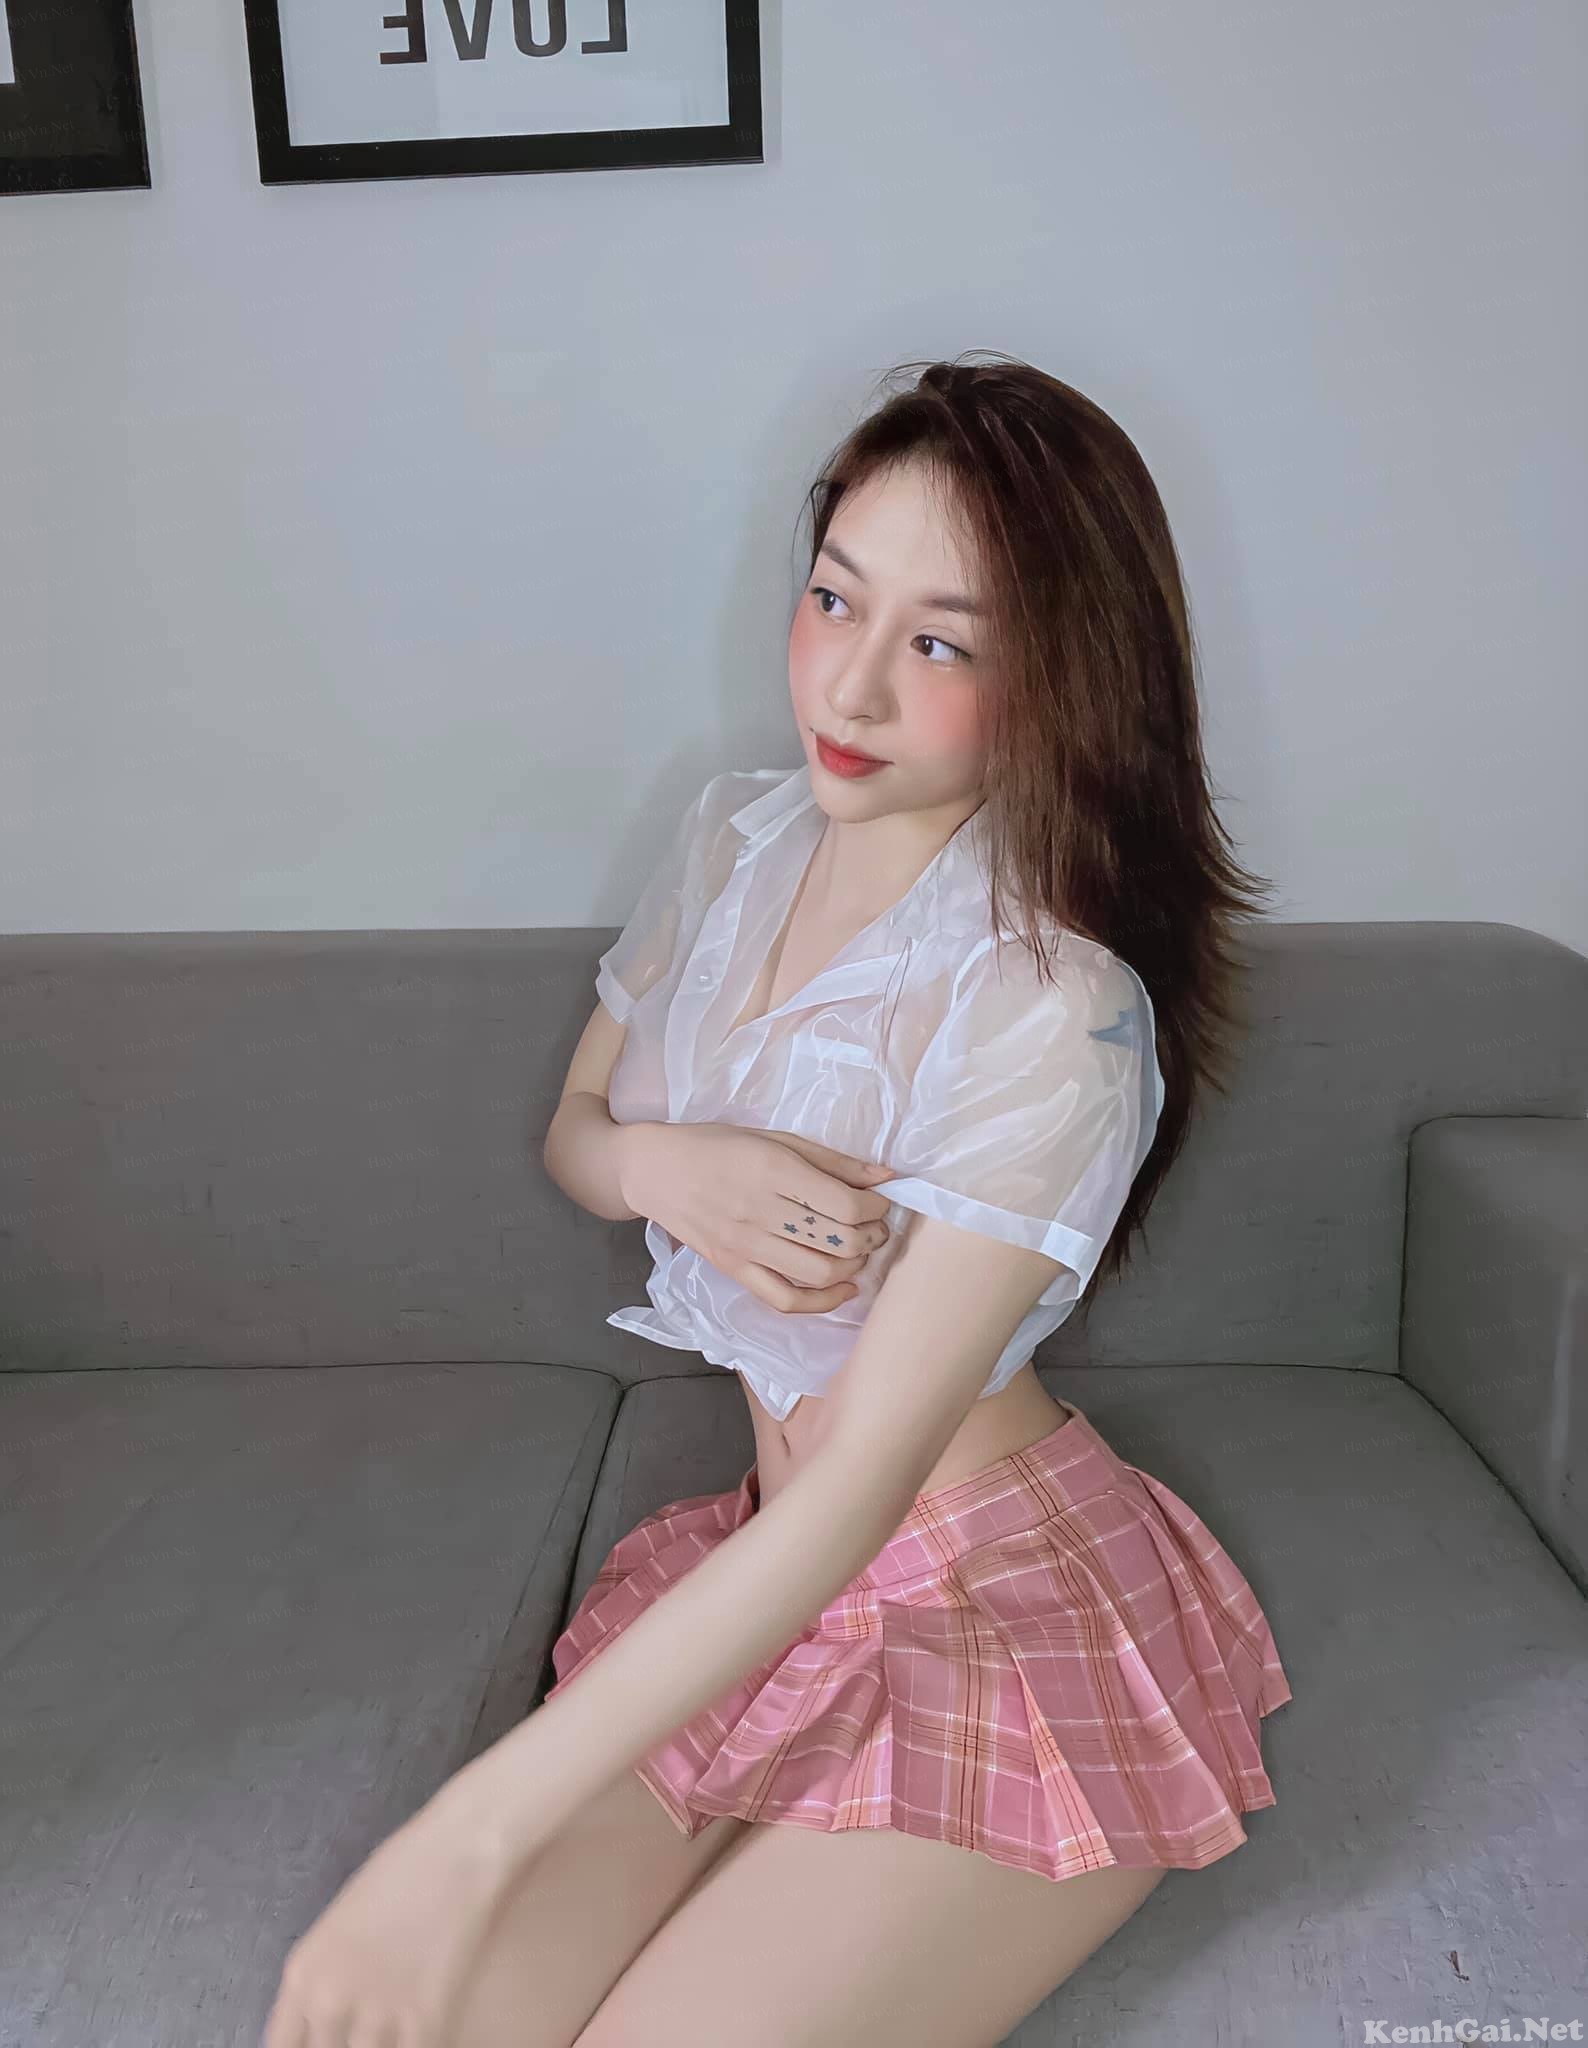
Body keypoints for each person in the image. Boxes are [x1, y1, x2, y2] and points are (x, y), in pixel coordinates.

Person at [263, 353, 1293, 2048]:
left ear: (1063, 680)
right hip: (767, 1565)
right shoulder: (733, 839)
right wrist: (669, 1165)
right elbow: (578, 1127)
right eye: (834, 597)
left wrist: (459, 1837)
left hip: (985, 1594)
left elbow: (863, 1489)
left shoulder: (1059, 1010)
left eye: (942, 643)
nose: (853, 683)